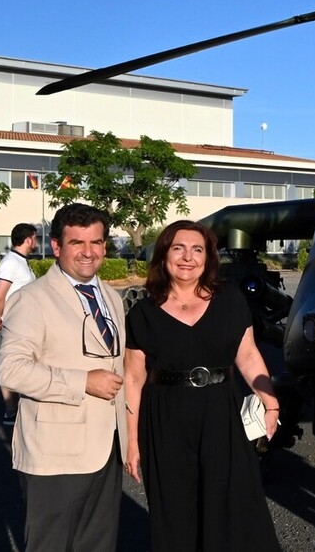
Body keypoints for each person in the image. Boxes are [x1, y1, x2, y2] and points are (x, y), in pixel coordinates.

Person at [123, 219, 281, 551]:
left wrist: (270, 403)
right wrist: (132, 440)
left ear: (208, 258)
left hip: (219, 414)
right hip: (164, 418)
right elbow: (134, 378)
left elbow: (248, 355)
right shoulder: (142, 313)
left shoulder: (231, 301)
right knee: (175, 512)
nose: (187, 257)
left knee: (232, 507)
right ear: (164, 255)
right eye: (178, 248)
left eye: (197, 250)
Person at [0, 203, 127, 551]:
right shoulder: (31, 299)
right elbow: (12, 369)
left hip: (106, 448)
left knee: (98, 544)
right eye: (77, 243)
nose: (89, 252)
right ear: (57, 246)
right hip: (54, 455)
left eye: (96, 242)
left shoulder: (112, 298)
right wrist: (82, 381)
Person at [0, 222, 37, 425]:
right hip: (14, 322)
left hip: (26, 322)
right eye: (35, 238)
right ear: (28, 239)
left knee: (27, 364)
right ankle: (10, 411)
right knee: (10, 365)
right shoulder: (11, 262)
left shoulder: (20, 261)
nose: (36, 242)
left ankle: (23, 408)